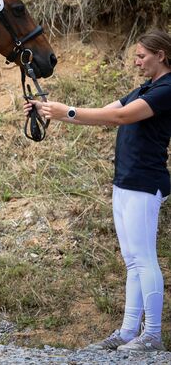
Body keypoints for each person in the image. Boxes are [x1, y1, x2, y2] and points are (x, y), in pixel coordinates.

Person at [25, 28, 171, 352]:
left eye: (142, 56)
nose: (136, 62)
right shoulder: (146, 88)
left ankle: (153, 335)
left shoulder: (167, 90)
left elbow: (119, 116)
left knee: (144, 260)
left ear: (161, 55)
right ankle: (128, 331)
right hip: (126, 182)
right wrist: (49, 111)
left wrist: (67, 112)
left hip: (145, 183)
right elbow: (105, 115)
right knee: (133, 261)